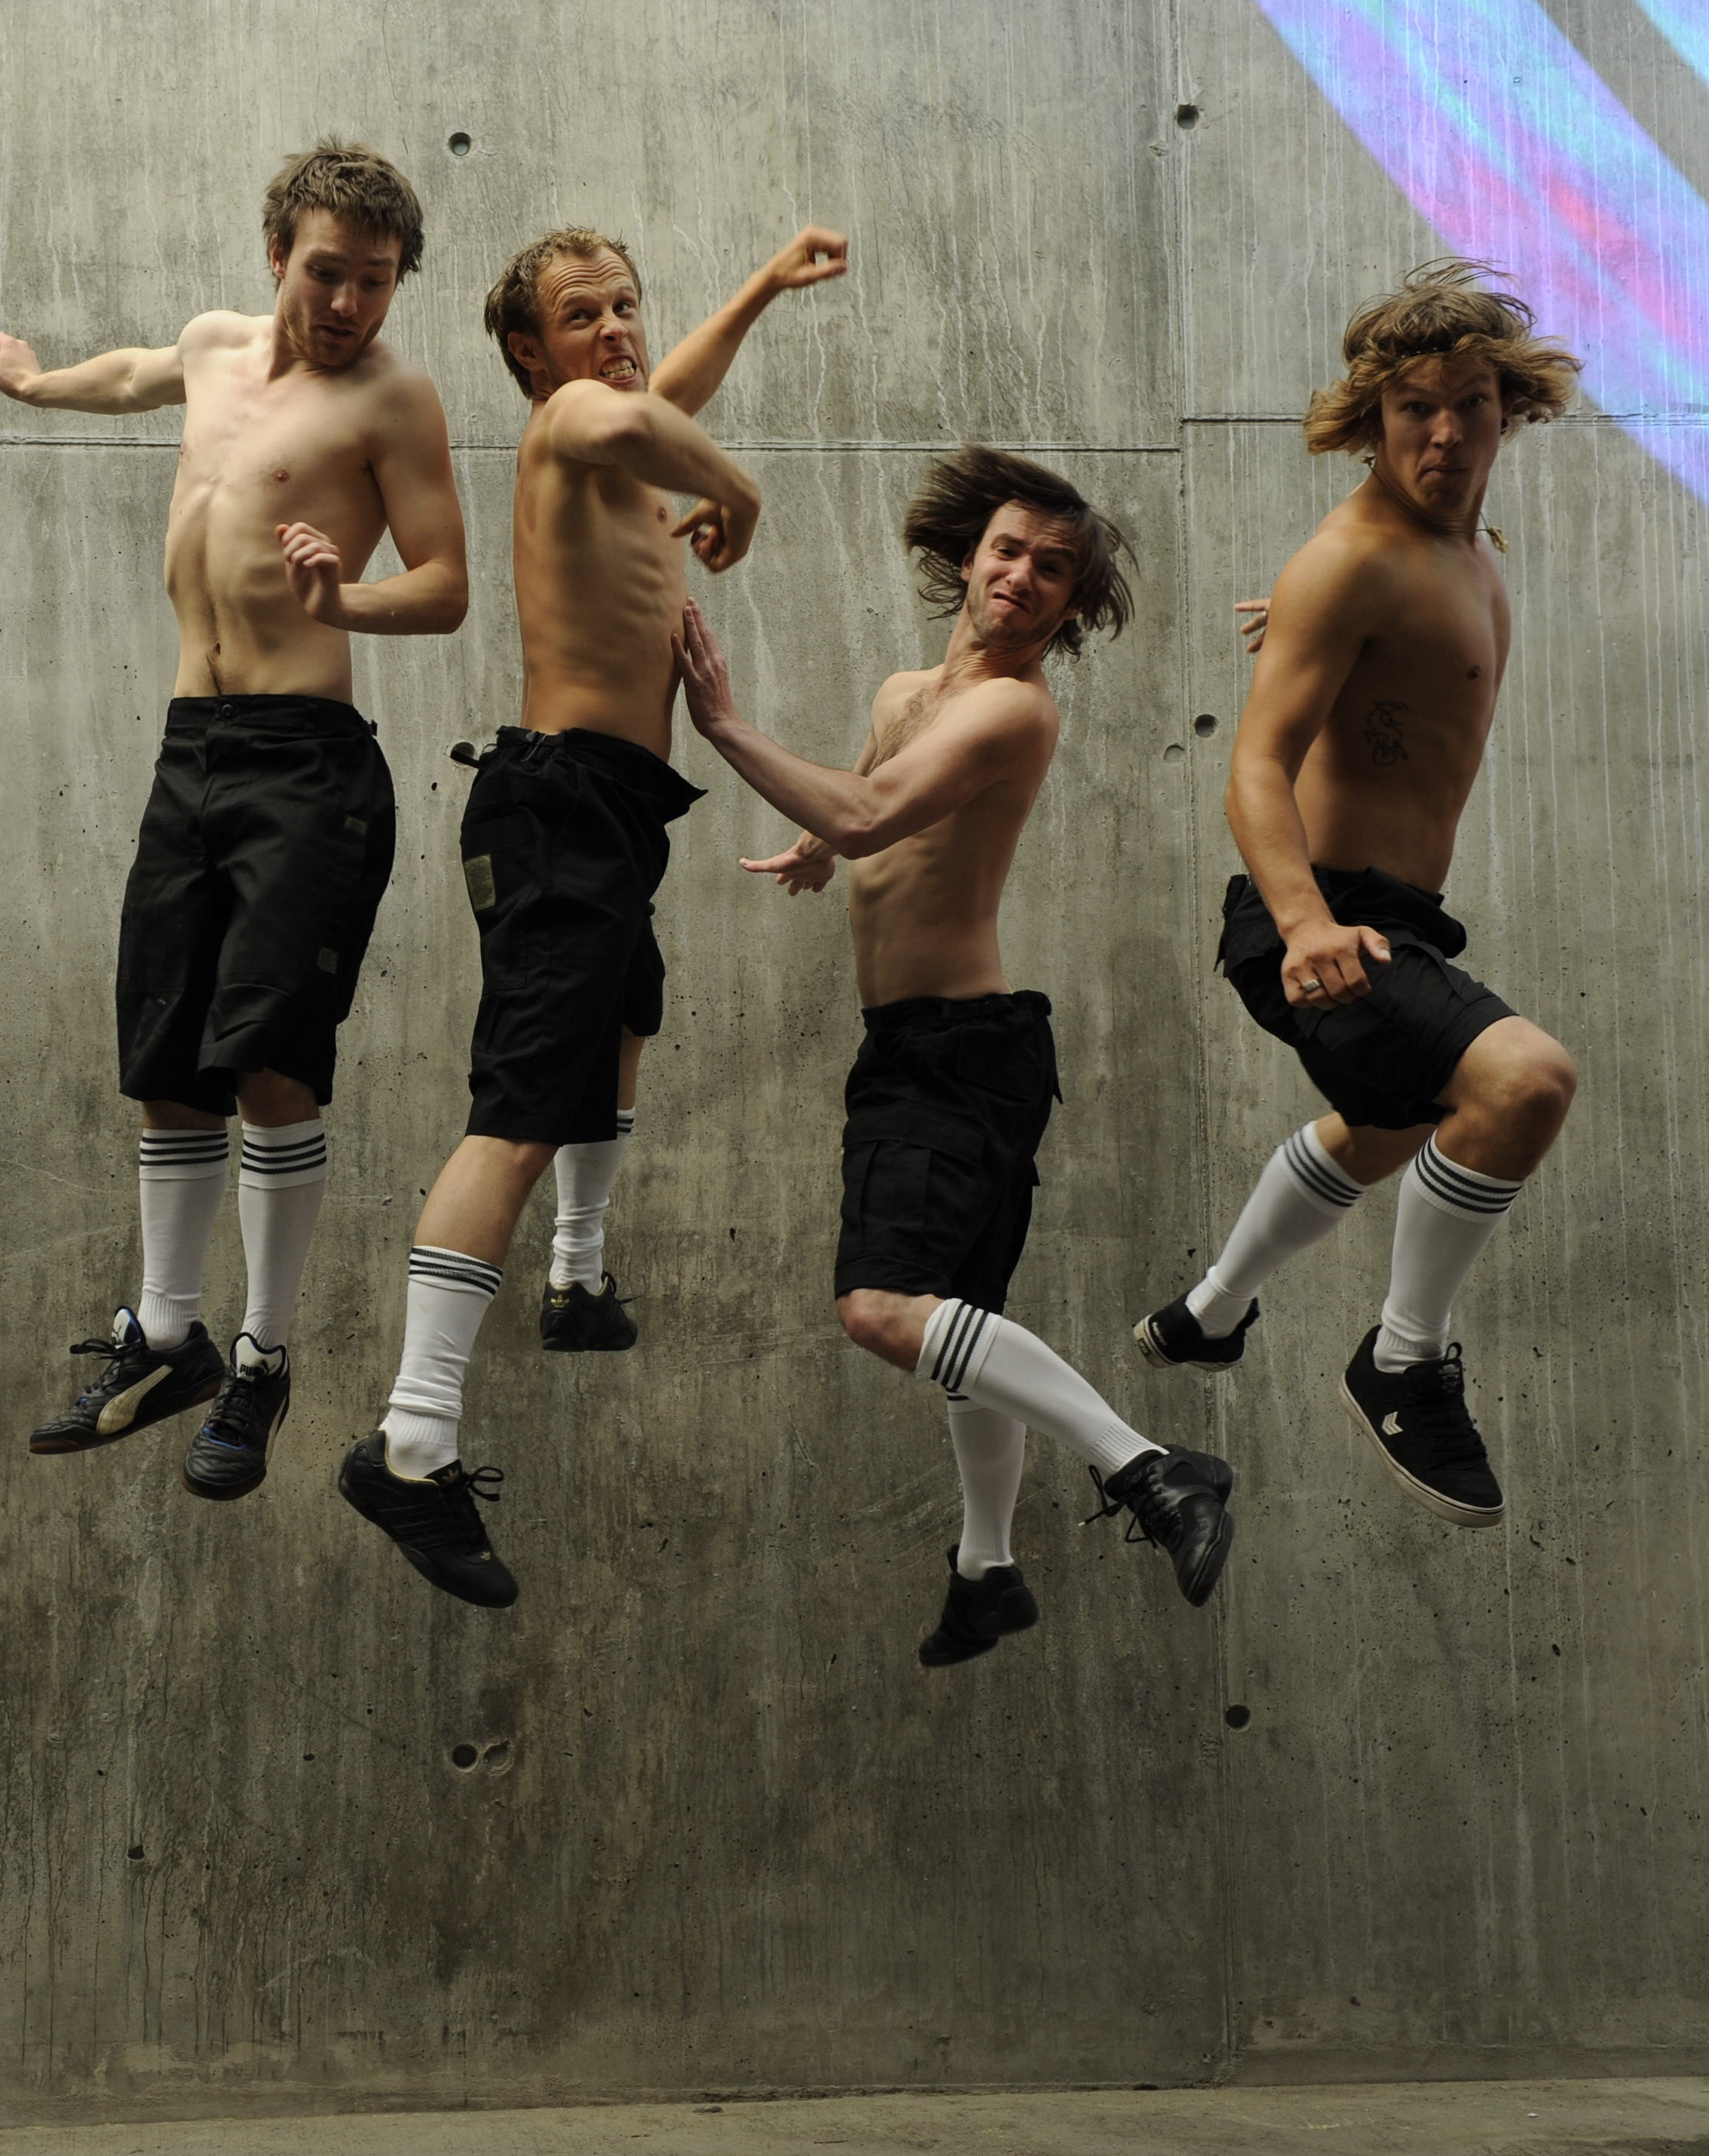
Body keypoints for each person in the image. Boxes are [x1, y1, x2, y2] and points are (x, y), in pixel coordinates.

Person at [335, 222, 843, 1608]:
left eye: (627, 305)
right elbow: (630, 412)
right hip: (556, 810)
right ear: (529, 352)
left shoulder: (620, 430)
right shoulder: (569, 424)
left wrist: (759, 286)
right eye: (583, 315)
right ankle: (411, 1442)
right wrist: (739, 482)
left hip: (610, 811)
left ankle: (577, 1278)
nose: (616, 331)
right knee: (519, 1111)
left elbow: (662, 393)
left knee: (624, 1023)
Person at [675, 448, 1236, 1660]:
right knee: (965, 1324)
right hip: (937, 1046)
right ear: (969, 559)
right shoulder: (906, 694)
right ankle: (987, 1569)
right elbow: (872, 799)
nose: (1023, 576)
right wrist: (824, 848)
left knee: (883, 1308)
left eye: (1054, 569)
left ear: (1073, 605)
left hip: (955, 1052)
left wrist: (723, 724)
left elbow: (870, 811)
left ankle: (1148, 1467)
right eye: (1009, 550)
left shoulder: (1013, 709)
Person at [0, 140, 467, 1502]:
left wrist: (342, 601)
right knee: (166, 1059)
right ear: (276, 256)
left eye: (377, 281)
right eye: (329, 273)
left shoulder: (392, 399)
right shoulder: (215, 346)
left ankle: (262, 1357)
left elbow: (444, 586)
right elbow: (138, 374)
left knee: (265, 1059)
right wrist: (37, 384)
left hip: (306, 764)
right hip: (191, 749)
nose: (350, 303)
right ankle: (167, 1334)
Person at [1133, 260, 1583, 1530]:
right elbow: (1254, 766)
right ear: (1372, 419)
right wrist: (1304, 924)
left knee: (1390, 1130)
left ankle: (1208, 1313)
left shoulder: (1460, 556)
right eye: (1413, 410)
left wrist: (1323, 622)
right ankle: (1402, 1364)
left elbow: (1379, 661)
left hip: (1395, 916)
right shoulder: (1350, 561)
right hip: (1317, 916)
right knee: (1522, 1084)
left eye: (1469, 406)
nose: (1443, 435)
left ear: (1511, 411)